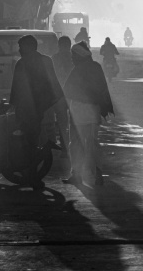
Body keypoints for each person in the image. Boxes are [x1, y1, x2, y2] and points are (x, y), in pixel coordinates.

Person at [9, 35, 63, 190]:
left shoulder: (23, 63)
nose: (19, 50)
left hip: (28, 112)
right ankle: (31, 174)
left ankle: (32, 175)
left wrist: (12, 106)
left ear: (29, 47)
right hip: (40, 109)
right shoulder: (45, 61)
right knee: (30, 142)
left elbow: (16, 89)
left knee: (28, 144)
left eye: (21, 47)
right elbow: (54, 86)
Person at [63, 42, 114, 187]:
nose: (72, 58)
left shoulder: (78, 69)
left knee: (76, 143)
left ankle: (76, 174)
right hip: (93, 111)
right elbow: (103, 90)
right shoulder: (96, 67)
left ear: (79, 56)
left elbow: (67, 90)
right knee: (92, 143)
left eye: (74, 55)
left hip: (78, 110)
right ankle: (97, 173)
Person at [51, 36, 74, 152]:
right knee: (74, 123)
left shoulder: (54, 59)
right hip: (73, 96)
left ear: (59, 46)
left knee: (62, 123)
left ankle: (65, 149)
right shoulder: (74, 58)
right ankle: (73, 149)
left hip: (59, 95)